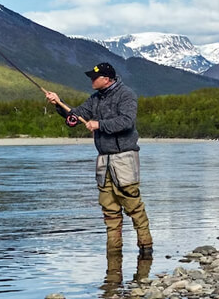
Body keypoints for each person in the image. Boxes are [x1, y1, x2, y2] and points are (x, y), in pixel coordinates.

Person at [45, 62, 153, 259]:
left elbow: (127, 121)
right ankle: (114, 256)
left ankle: (146, 251)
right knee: (109, 211)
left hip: (124, 158)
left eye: (94, 77)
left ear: (107, 79)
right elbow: (75, 117)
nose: (91, 80)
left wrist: (99, 124)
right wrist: (59, 104)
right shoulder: (95, 99)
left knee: (134, 207)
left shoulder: (126, 94)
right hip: (104, 161)